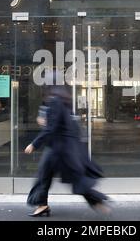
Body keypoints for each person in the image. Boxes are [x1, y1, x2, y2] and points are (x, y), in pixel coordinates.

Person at [24, 72, 110, 217]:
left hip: (59, 149)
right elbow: (60, 124)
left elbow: (51, 128)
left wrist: (34, 144)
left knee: (66, 178)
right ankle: (42, 204)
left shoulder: (55, 101)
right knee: (46, 175)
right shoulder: (63, 100)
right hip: (62, 147)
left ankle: (97, 201)